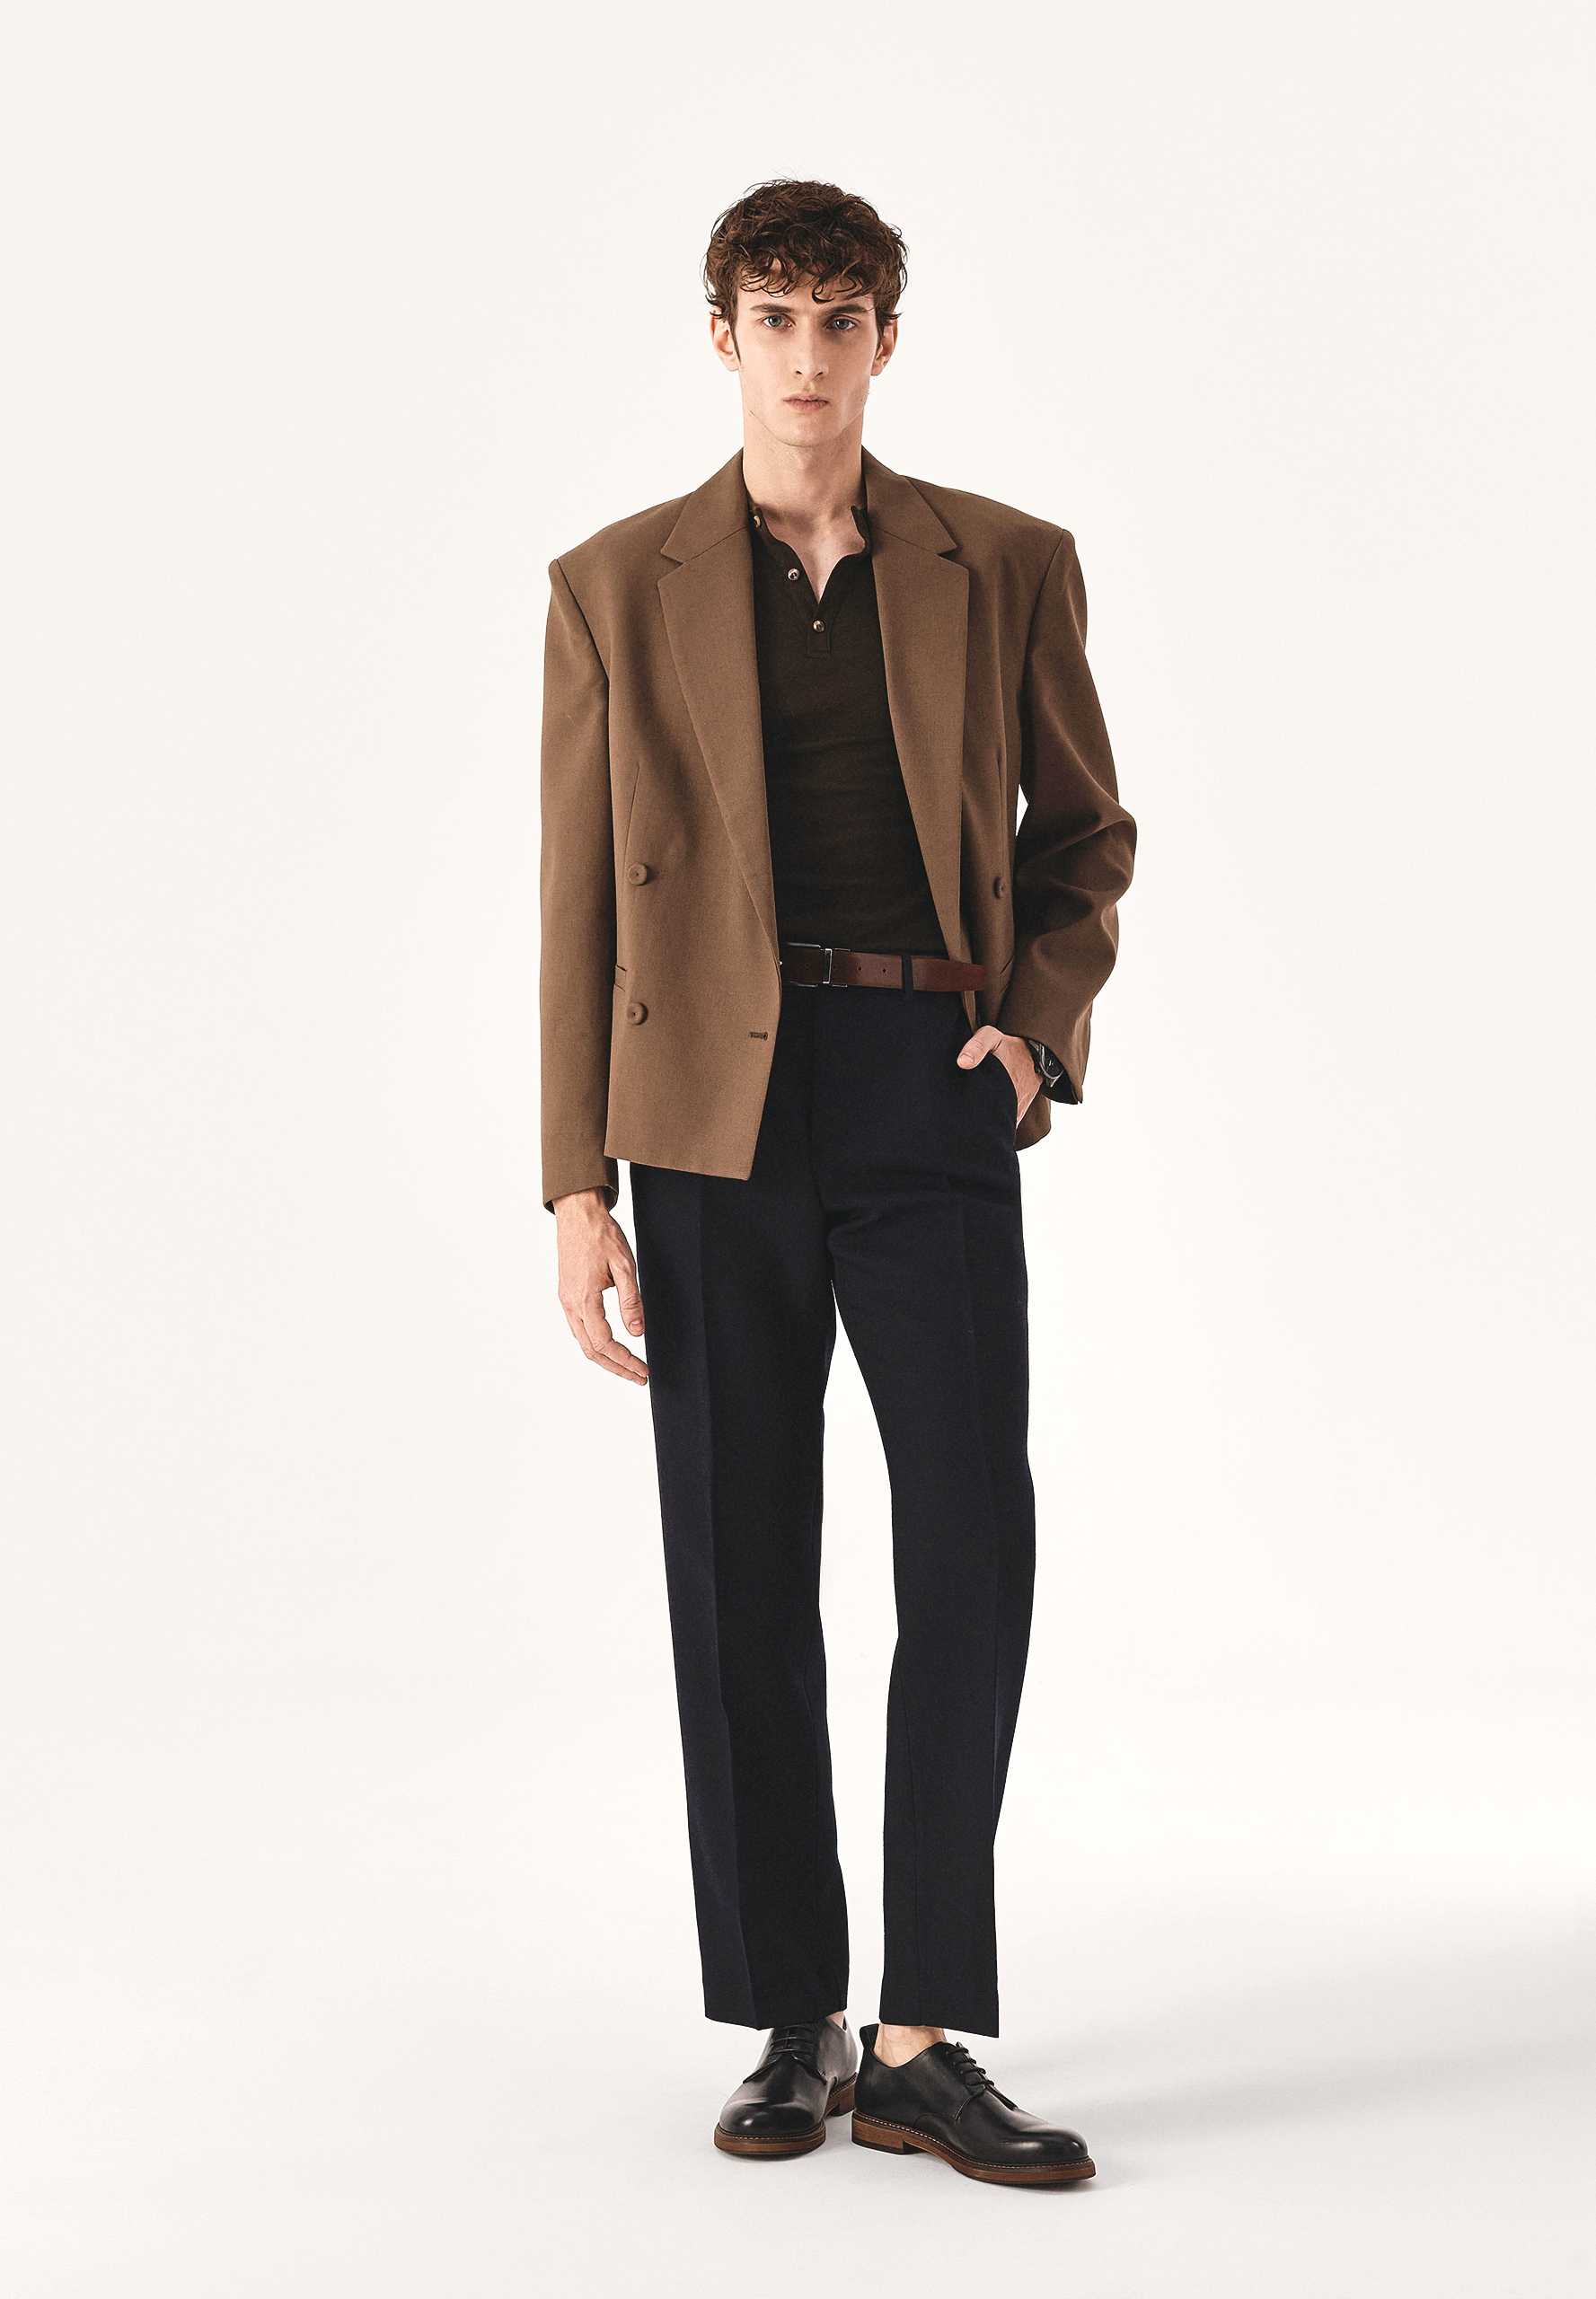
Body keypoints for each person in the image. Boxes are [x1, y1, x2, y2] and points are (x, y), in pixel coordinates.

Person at [540, 179, 1135, 2186]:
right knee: (738, 1560)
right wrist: (572, 1182)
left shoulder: (1005, 563)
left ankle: (919, 2034)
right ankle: (789, 2011)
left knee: (969, 1538)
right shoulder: (613, 583)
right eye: (775, 317)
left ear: (887, 338)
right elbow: (570, 896)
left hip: (923, 1081)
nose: (808, 356)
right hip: (702, 1105)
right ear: (722, 335)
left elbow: (1086, 835)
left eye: (841, 320)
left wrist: (1030, 1032)